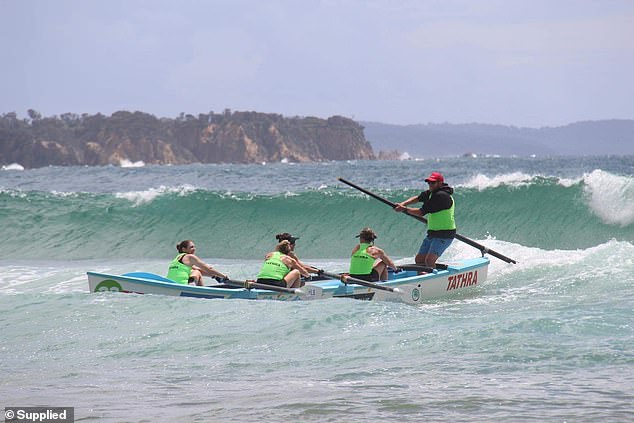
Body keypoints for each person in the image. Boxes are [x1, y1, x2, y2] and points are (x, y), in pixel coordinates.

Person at [394, 171, 456, 267]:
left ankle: (434, 280)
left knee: (429, 261)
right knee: (419, 260)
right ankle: (422, 277)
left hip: (444, 234)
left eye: (433, 183)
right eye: (429, 183)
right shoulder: (431, 193)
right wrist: (403, 204)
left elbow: (420, 212)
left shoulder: (442, 196)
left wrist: (404, 209)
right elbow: (418, 198)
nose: (430, 185)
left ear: (440, 183)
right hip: (433, 233)